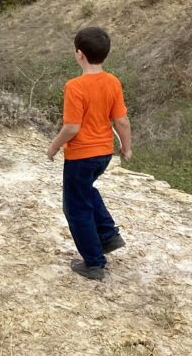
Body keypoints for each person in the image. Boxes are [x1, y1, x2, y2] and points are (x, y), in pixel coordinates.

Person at [46, 26, 132, 281]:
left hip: (81, 156)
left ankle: (93, 262)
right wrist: (126, 147)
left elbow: (72, 127)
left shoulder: (75, 86)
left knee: (75, 207)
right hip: (103, 154)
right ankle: (107, 235)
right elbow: (122, 121)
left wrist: (53, 146)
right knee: (86, 191)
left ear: (79, 54)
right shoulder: (113, 81)